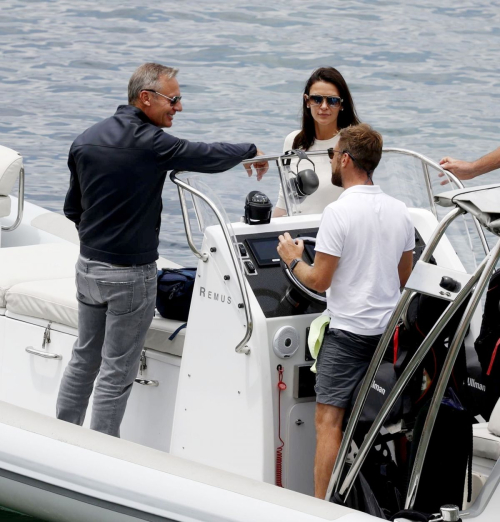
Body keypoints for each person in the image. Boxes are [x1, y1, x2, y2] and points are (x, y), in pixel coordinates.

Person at [57, 62, 268, 437]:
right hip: (130, 277)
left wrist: (99, 242)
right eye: (174, 99)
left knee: (83, 358)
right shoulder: (151, 144)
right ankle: (99, 454)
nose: (179, 107)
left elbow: (72, 209)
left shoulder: (85, 139)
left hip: (88, 268)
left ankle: (62, 436)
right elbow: (205, 154)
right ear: (146, 98)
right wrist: (250, 149)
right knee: (116, 370)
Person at [276, 123, 414, 499]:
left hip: (348, 337)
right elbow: (405, 275)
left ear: (347, 160)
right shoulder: (400, 211)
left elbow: (318, 281)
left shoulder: (339, 213)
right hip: (388, 339)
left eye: (335, 155)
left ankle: (323, 507)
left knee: (328, 422)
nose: (332, 161)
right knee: (380, 421)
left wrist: (291, 260)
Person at [273, 67, 361, 217]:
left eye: (332, 100)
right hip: (298, 234)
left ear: (342, 105)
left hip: (338, 232)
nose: (324, 106)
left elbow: (362, 200)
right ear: (307, 101)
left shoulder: (354, 143)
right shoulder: (293, 141)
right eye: (317, 99)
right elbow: (283, 202)